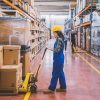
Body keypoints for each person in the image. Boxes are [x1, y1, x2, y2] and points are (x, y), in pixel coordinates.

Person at [44, 25, 67, 93]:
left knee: (55, 73)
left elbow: (57, 50)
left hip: (58, 59)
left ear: (57, 32)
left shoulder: (59, 39)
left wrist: (49, 48)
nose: (53, 34)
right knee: (60, 73)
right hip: (60, 58)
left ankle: (51, 88)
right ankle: (63, 87)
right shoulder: (60, 39)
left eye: (54, 33)